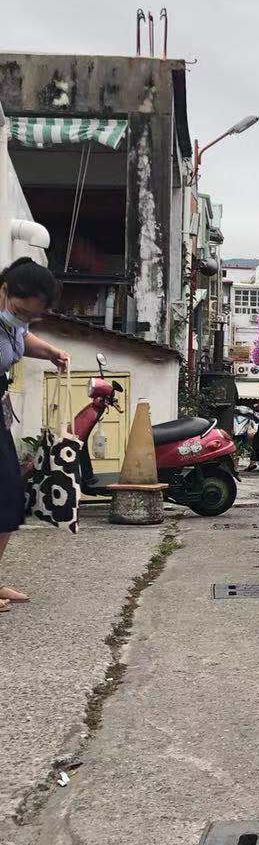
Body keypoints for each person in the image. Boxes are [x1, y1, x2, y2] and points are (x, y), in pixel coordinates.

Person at [0, 258, 69, 611]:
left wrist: (51, 352)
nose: (23, 320)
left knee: (10, 498)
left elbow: (21, 339)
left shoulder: (11, 323)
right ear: (4, 290)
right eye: (19, 310)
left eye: (31, 316)